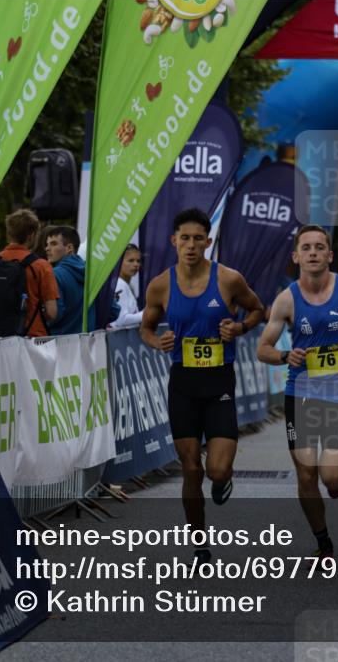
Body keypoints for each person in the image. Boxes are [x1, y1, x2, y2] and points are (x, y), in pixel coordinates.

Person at [140, 208, 265, 564]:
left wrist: (239, 328)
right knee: (191, 468)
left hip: (219, 382)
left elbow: (258, 309)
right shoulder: (160, 285)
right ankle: (200, 544)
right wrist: (157, 341)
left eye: (198, 239)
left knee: (217, 470)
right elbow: (146, 328)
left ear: (208, 242)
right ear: (174, 241)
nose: (191, 245)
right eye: (185, 238)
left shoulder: (228, 279)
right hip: (183, 383)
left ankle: (223, 480)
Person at [257, 225, 338, 558]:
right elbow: (263, 349)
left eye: (319, 247)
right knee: (306, 474)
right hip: (301, 394)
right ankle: (323, 541)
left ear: (330, 255)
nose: (312, 253)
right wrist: (284, 356)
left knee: (331, 478)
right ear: (296, 256)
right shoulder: (286, 299)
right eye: (306, 248)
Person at [0, 209, 59, 341]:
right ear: (32, 235)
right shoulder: (41, 266)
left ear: (9, 233)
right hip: (31, 340)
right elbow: (52, 313)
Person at [44, 226, 87, 335]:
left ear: (69, 248)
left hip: (60, 340)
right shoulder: (92, 273)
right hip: (91, 341)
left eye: (53, 244)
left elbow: (55, 315)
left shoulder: (54, 274)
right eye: (47, 244)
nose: (47, 248)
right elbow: (113, 311)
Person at [110, 244, 144, 329]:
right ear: (119, 262)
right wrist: (145, 314)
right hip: (118, 336)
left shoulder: (128, 285)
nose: (136, 264)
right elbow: (121, 320)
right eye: (131, 260)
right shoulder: (119, 284)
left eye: (138, 261)